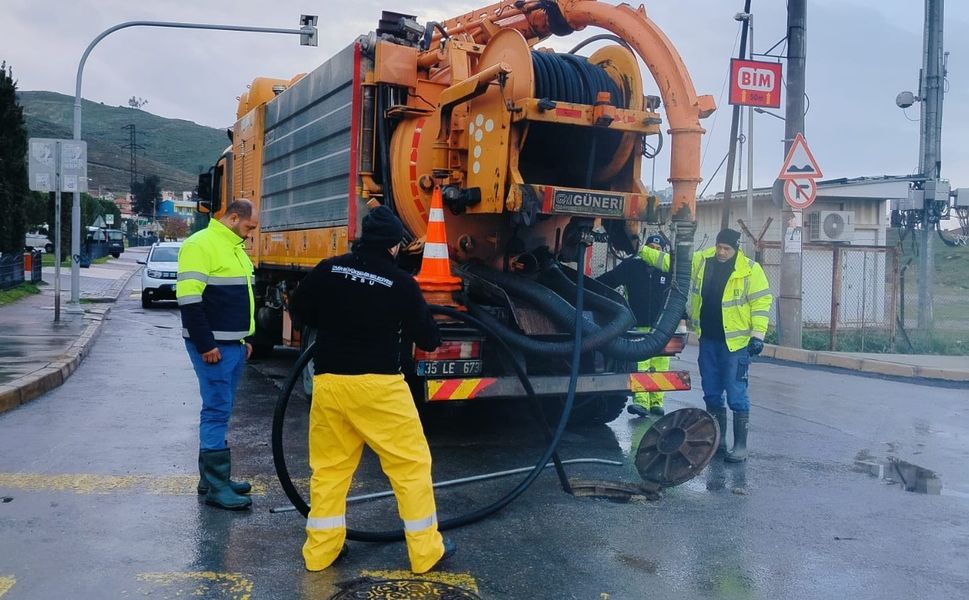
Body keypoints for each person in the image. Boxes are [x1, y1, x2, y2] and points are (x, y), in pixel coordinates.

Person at [289, 205, 455, 574]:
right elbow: (427, 339)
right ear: (395, 246)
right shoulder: (401, 284)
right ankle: (425, 553)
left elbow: (298, 307)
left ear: (362, 238)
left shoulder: (329, 269)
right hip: (380, 388)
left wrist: (332, 319)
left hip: (330, 384)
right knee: (410, 466)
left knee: (329, 470)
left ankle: (321, 552)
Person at [177, 199, 258, 510]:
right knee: (216, 410)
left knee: (219, 408)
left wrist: (246, 339)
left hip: (232, 344)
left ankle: (211, 479)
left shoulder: (234, 246)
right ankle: (216, 488)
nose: (251, 233)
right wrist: (205, 344)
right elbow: (189, 300)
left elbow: (242, 297)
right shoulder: (200, 245)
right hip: (214, 347)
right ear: (234, 218)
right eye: (249, 227)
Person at [688, 228, 771, 463]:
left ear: (736, 249)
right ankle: (718, 442)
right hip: (709, 340)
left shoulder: (750, 271)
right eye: (719, 247)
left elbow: (761, 303)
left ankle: (741, 447)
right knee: (712, 392)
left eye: (727, 248)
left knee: (736, 393)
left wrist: (758, 336)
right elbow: (675, 262)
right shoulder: (703, 261)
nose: (722, 252)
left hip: (735, 345)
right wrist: (642, 251)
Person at [597, 233, 673, 417]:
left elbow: (677, 296)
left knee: (660, 367)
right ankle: (641, 403)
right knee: (641, 365)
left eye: (658, 250)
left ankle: (657, 403)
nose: (654, 253)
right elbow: (608, 281)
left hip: (661, 328)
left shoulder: (668, 271)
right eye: (651, 249)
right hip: (638, 326)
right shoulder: (632, 267)